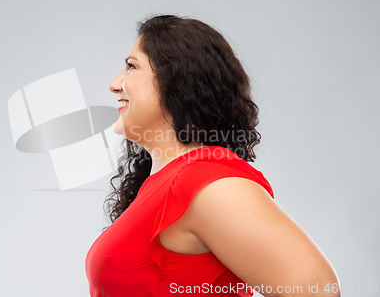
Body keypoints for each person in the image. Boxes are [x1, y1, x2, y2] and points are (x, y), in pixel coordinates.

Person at [85, 15, 340, 296]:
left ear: (177, 79)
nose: (114, 84)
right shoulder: (164, 184)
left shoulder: (204, 179)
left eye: (131, 67)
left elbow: (318, 290)